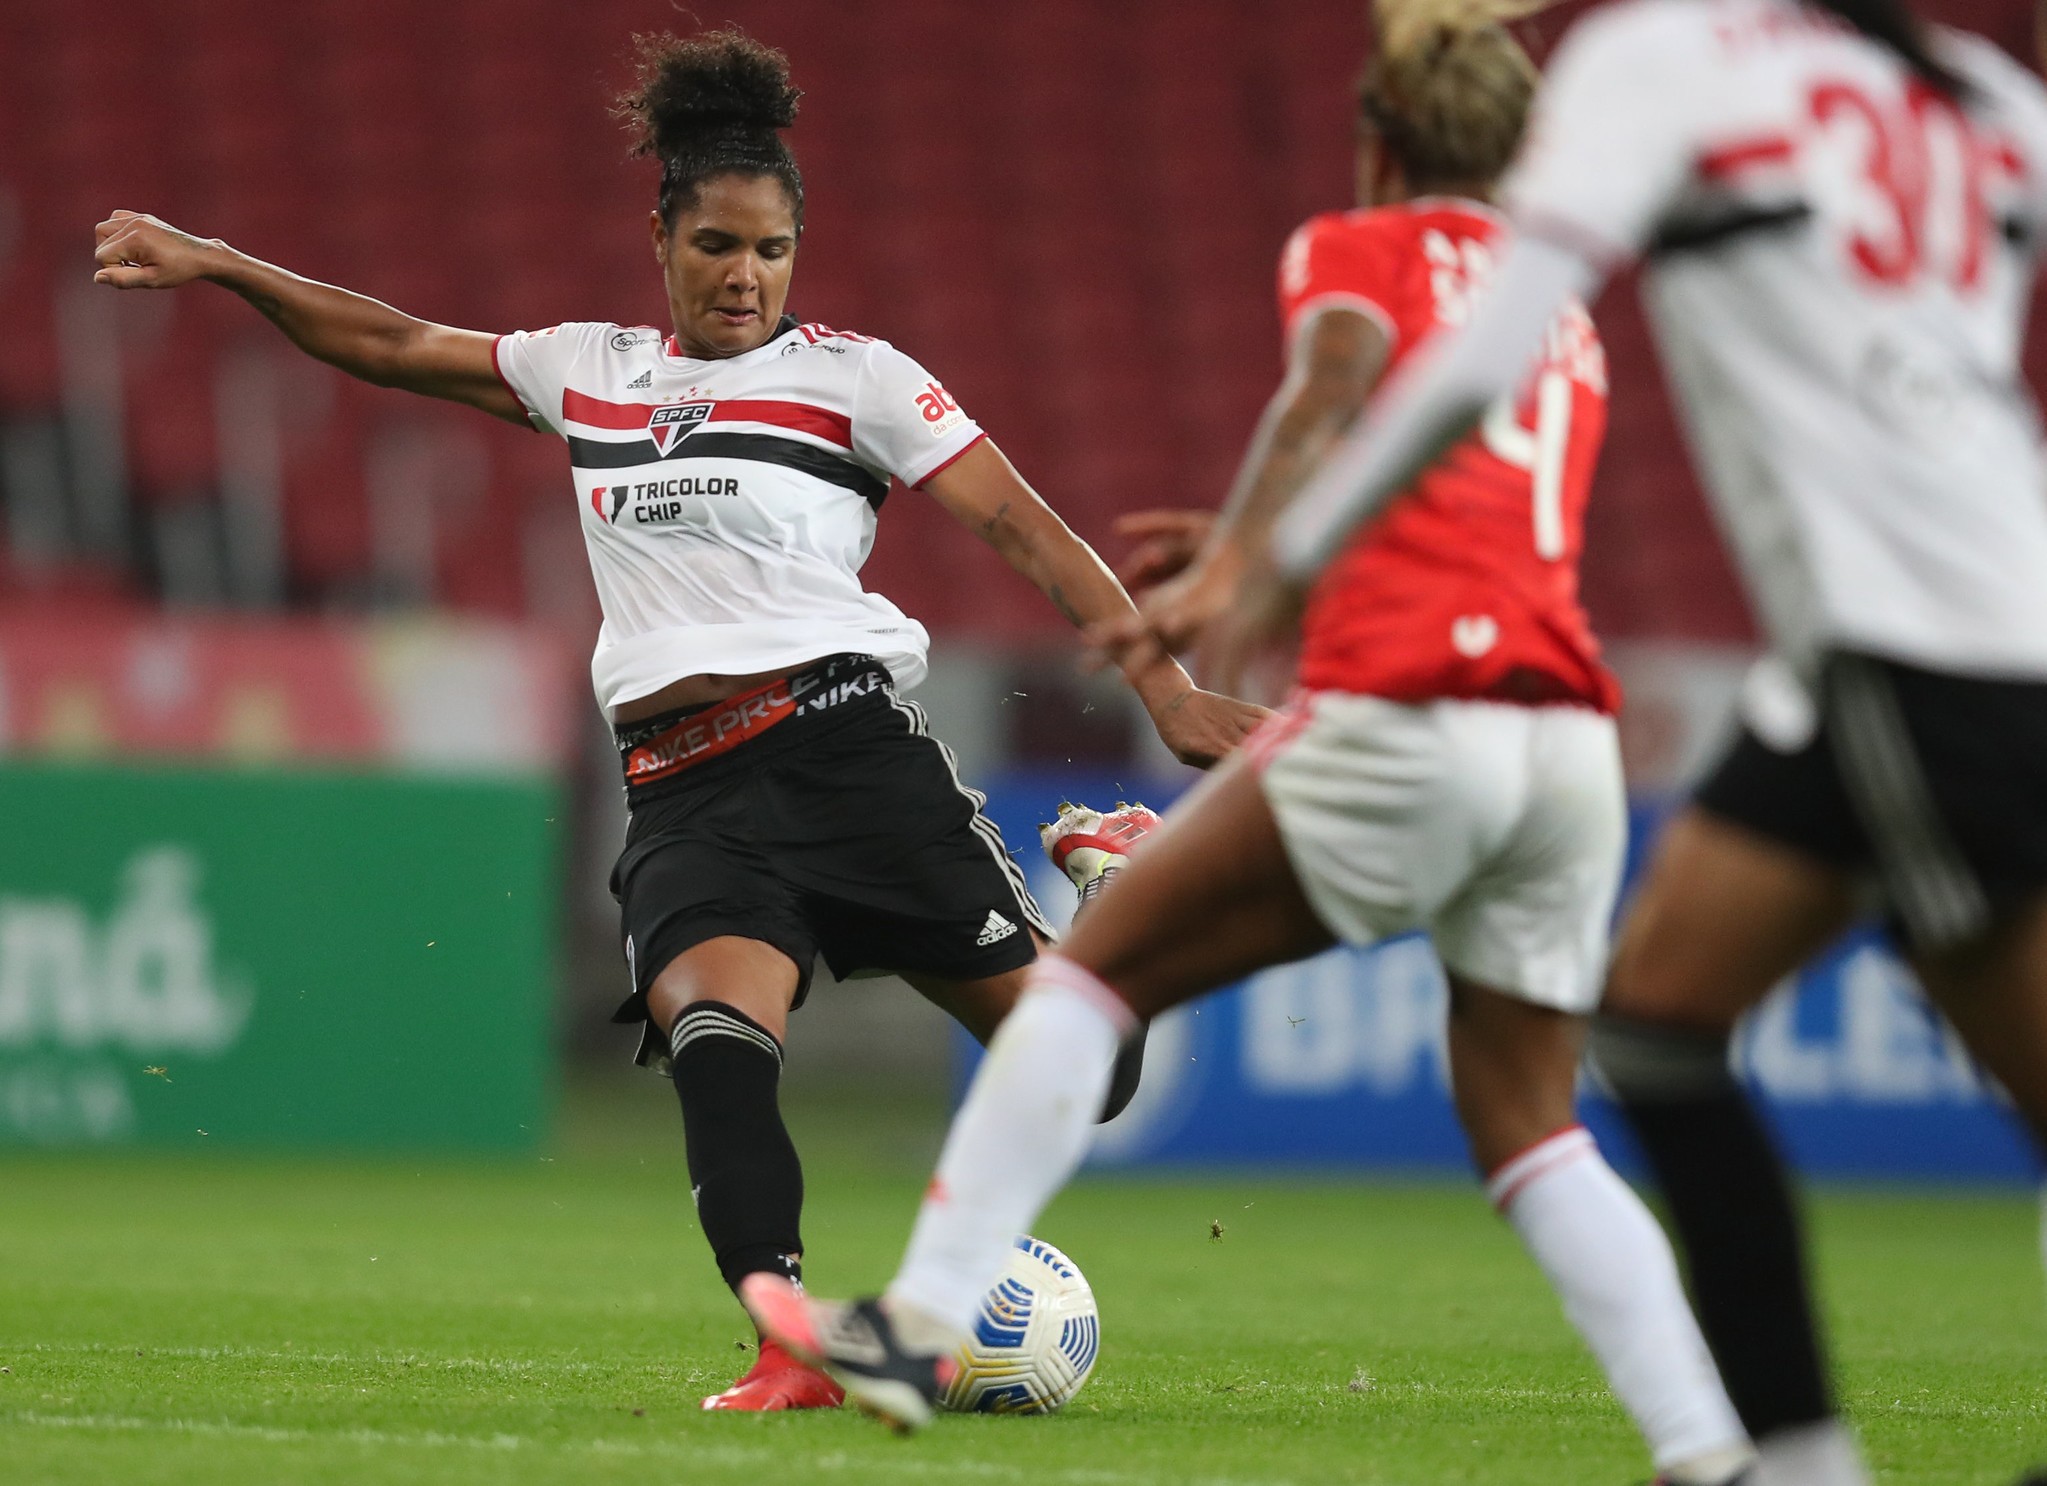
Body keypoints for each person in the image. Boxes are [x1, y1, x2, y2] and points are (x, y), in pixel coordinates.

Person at [91, 27, 1264, 1412]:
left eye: (771, 250)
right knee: (715, 1043)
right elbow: (396, 344)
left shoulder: (858, 379)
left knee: (1077, 1073)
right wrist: (221, 262)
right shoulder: (587, 372)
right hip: (686, 794)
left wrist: (1167, 687)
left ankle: (1120, 901)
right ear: (661, 235)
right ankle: (788, 1343)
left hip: (844, 751)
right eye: (716, 243)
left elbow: (1022, 523)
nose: (744, 275)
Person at [745, 7, 1758, 1480]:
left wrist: (1254, 558)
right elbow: (1448, 466)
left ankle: (918, 1318)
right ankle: (1710, 1449)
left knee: (1086, 981)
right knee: (1535, 1127)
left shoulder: (1358, 246)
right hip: (1567, 752)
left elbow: (1334, 380)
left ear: (1381, 139)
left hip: (1412, 710)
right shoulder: (1562, 309)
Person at [1160, 2, 2047, 1482]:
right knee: (1654, 1014)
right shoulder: (1985, 94)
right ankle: (1797, 1461)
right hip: (1910, 642)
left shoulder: (1672, 59)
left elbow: (1478, 347)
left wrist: (1293, 547)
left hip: (1920, 649)